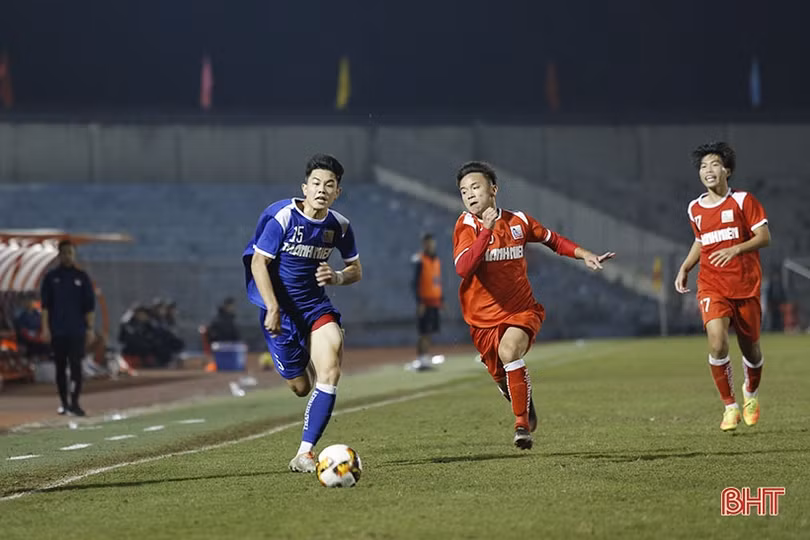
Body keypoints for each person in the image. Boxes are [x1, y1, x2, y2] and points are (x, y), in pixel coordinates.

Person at [453, 161, 614, 449]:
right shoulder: (466, 226)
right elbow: (464, 268)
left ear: (493, 189)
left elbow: (554, 240)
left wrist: (585, 254)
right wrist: (486, 231)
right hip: (481, 320)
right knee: (500, 375)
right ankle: (522, 399)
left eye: (475, 187)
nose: (470, 195)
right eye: (464, 191)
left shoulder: (519, 221)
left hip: (521, 310)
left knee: (509, 351)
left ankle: (521, 426)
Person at [243, 153, 362, 472]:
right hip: (280, 312)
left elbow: (355, 269)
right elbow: (258, 263)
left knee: (331, 370)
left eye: (329, 185)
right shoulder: (283, 217)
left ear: (337, 192)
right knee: (301, 387)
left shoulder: (339, 226)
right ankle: (307, 358)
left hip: (315, 307)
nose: (322, 189)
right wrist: (272, 306)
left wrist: (337, 276)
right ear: (305, 188)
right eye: (316, 183)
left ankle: (304, 453)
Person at [675, 142, 770, 431]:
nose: (708, 170)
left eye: (714, 164)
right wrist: (686, 267)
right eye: (703, 166)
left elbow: (764, 237)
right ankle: (730, 406)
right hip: (712, 285)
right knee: (717, 342)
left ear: (727, 170)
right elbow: (701, 241)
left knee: (751, 350)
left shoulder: (743, 201)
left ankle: (750, 393)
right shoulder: (694, 207)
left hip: (745, 286)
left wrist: (736, 249)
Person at [40, 240, 96, 416]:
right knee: (60, 367)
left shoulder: (82, 277)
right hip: (58, 330)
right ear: (59, 255)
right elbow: (45, 306)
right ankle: (64, 403)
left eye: (70, 253)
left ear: (74, 255)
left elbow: (89, 307)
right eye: (64, 253)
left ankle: (75, 402)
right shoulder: (51, 278)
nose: (67, 256)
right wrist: (45, 328)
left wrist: (90, 328)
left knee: (76, 366)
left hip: (77, 330)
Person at [408, 233, 443, 371]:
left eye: (431, 242)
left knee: (430, 332)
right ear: (424, 244)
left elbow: (437, 281)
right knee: (423, 332)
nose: (430, 245)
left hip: (435, 302)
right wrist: (420, 302)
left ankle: (425, 358)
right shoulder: (420, 260)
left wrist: (442, 299)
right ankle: (420, 359)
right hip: (425, 302)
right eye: (427, 243)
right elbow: (415, 283)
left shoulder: (436, 260)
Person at [13, 295, 51, 362]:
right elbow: (21, 329)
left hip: (38, 334)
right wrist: (30, 335)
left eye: (33, 302)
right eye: (29, 301)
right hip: (27, 335)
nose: (31, 303)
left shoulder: (37, 314)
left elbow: (42, 325)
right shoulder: (21, 315)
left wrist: (41, 333)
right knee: (33, 342)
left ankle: (44, 358)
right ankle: (33, 358)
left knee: (45, 342)